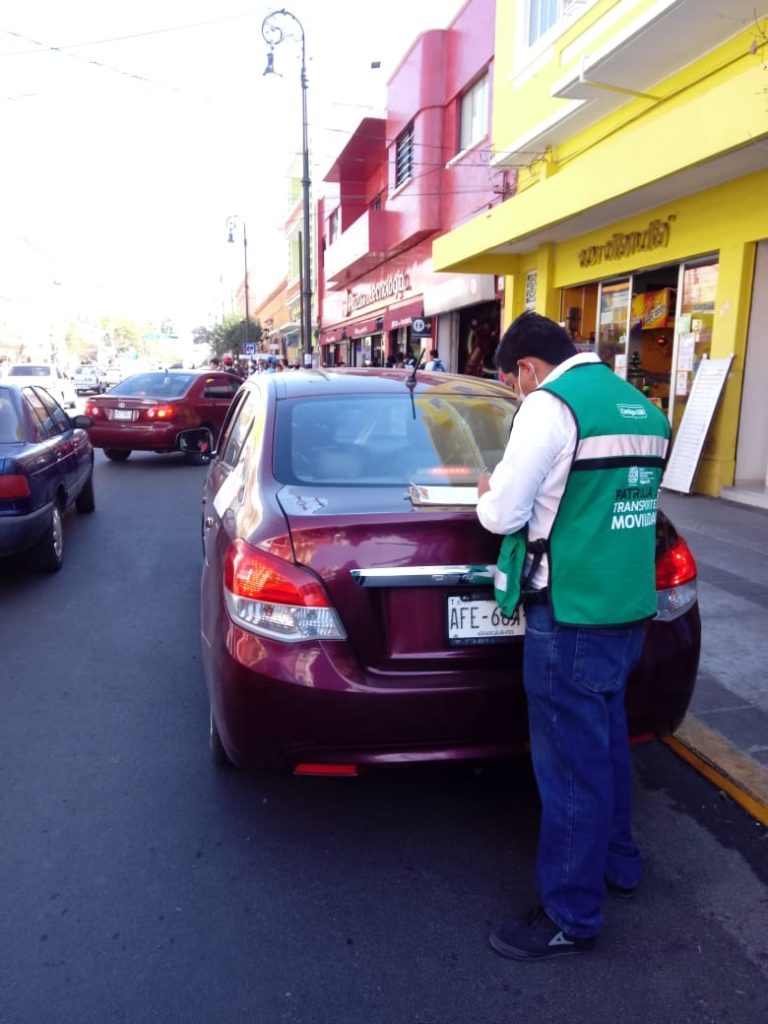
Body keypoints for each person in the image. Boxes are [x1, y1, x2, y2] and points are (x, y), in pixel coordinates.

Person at [476, 310, 670, 962]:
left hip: (572, 615)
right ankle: (620, 863)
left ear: (527, 370)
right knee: (609, 744)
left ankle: (571, 914)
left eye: (514, 382)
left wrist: (485, 492)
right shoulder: (641, 406)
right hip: (627, 610)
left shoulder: (551, 407)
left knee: (569, 772)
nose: (520, 392)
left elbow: (505, 510)